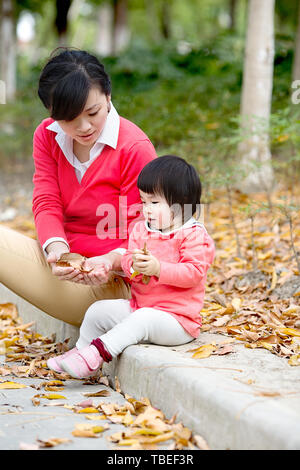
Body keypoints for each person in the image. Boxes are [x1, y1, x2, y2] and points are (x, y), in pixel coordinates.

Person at [0, 48, 157, 327]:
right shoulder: (47, 136)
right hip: (66, 267)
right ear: (52, 112)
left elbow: (146, 234)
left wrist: (109, 262)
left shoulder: (134, 149)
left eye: (93, 112)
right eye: (69, 119)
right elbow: (47, 198)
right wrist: (57, 246)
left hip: (116, 285)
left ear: (108, 97)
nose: (84, 127)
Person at [47, 155, 216, 378]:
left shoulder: (193, 236)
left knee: (143, 318)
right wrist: (133, 265)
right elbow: (127, 261)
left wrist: (158, 269)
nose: (147, 209)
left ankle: (96, 355)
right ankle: (80, 352)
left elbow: (193, 273)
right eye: (144, 202)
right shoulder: (142, 231)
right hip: (139, 307)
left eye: (154, 203)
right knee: (98, 311)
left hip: (177, 321)